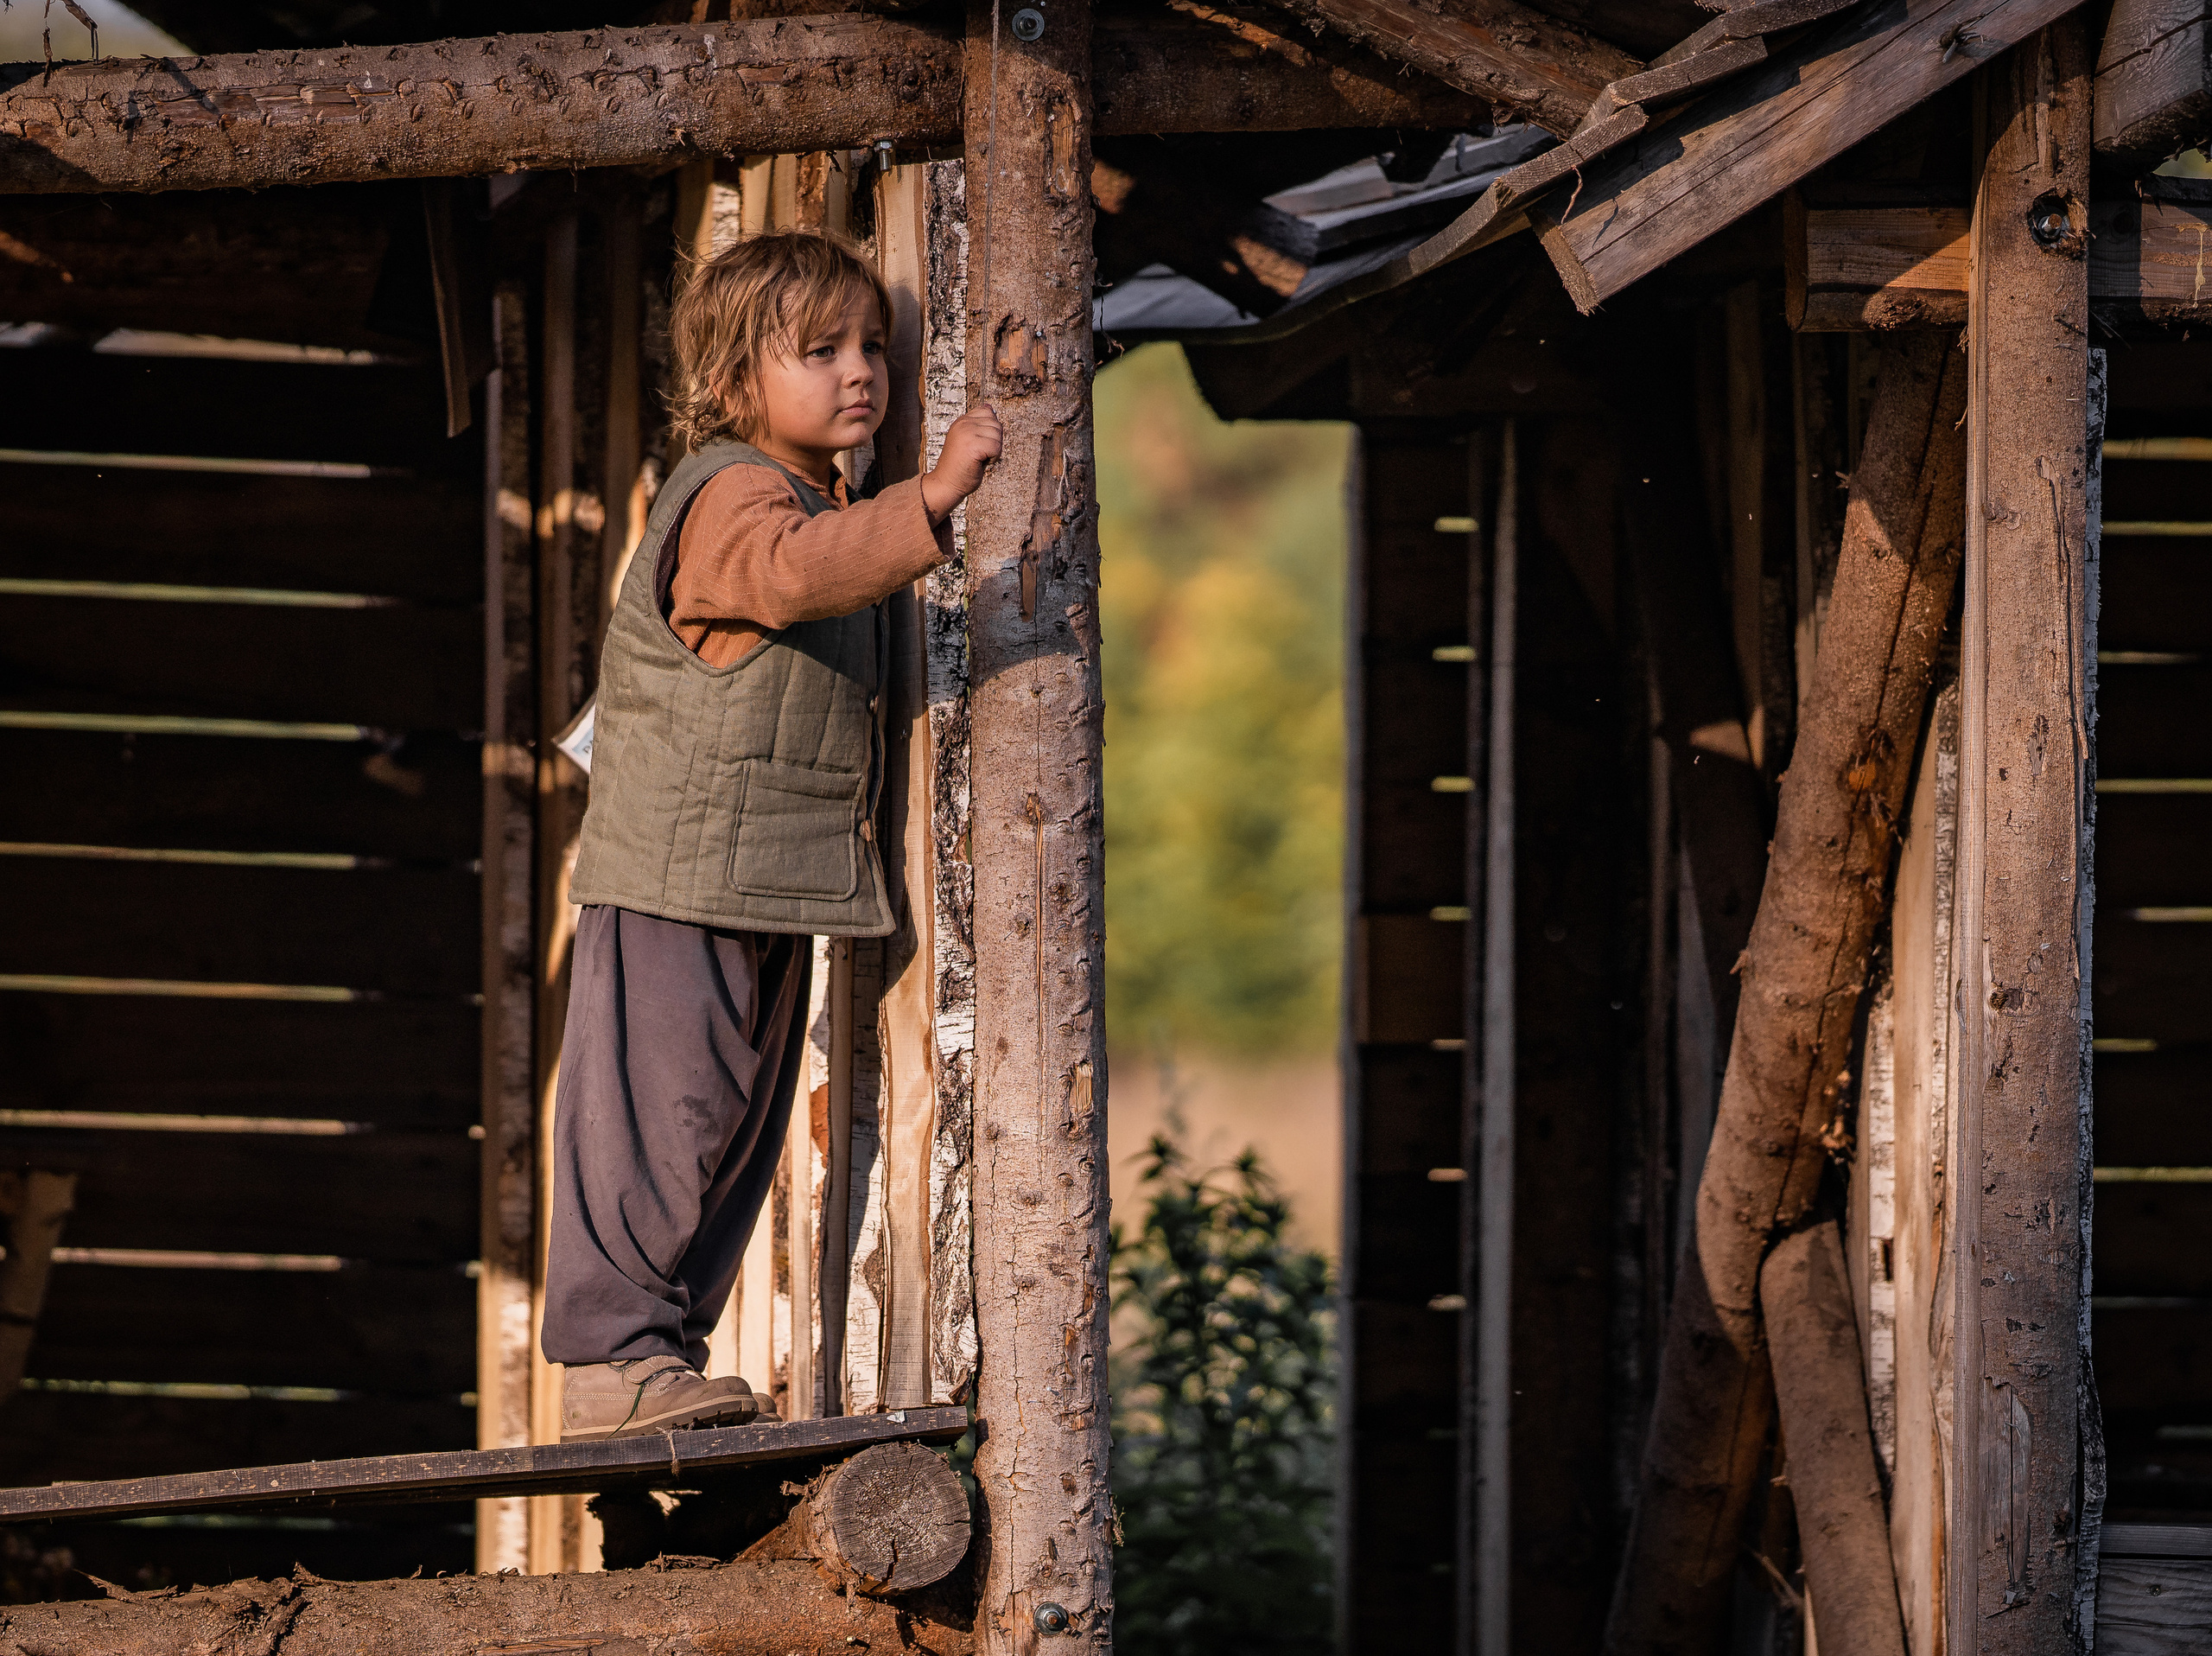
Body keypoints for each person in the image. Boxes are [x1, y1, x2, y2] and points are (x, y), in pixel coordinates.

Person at [541, 230, 1002, 1443]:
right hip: (681, 878)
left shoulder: (819, 494)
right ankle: (609, 1358)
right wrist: (935, 498)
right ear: (739, 384)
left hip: (762, 881)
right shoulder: (735, 491)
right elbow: (792, 576)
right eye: (821, 351)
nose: (861, 372)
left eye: (872, 347)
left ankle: (659, 1358)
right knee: (659, 1115)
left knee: (731, 1128)